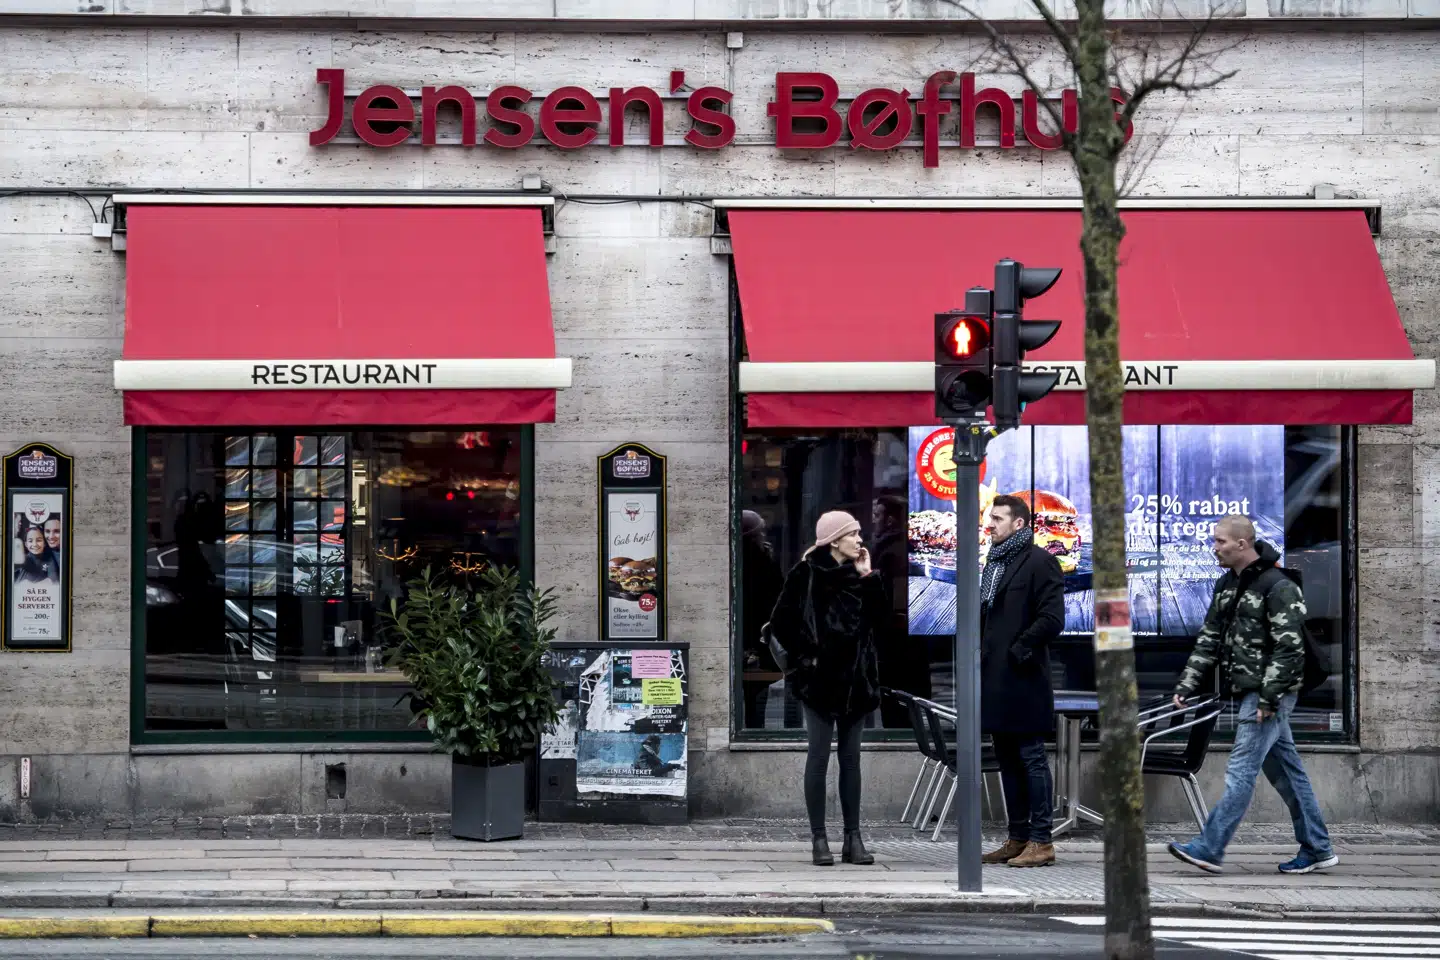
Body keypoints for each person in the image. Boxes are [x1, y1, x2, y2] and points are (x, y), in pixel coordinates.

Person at [1167, 515, 1338, 876]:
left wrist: (1269, 698)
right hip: (1250, 690)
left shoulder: (1278, 585)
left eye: (1220, 542)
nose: (1214, 548)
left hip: (1266, 694)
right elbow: (1210, 638)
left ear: (1242, 543)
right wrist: (1187, 683)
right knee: (1288, 772)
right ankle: (1318, 847)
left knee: (1240, 772)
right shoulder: (1227, 584)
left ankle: (1209, 848)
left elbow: (1290, 650)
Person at [768, 509, 887, 867]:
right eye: (853, 534)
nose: (860, 540)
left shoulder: (859, 574)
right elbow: (781, 623)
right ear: (835, 539)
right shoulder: (806, 573)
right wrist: (809, 660)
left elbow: (881, 621)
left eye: (859, 533)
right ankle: (819, 839)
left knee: (851, 761)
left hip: (856, 683)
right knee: (818, 758)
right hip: (819, 684)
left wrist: (869, 577)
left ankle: (854, 838)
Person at [978, 494, 1065, 869]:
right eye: (989, 518)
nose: (990, 524)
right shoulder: (994, 562)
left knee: (1031, 758)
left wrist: (1019, 648)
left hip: (1025, 676)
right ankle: (1017, 837)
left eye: (997, 518)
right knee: (1007, 759)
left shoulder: (1040, 562)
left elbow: (1052, 619)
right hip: (995, 678)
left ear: (1018, 524)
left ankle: (1042, 840)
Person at [739, 510, 784, 728]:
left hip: (751, 636)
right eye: (761, 532)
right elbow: (775, 597)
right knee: (756, 693)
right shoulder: (761, 559)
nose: (764, 535)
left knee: (751, 694)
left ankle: (750, 728)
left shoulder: (750, 558)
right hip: (759, 636)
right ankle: (754, 729)